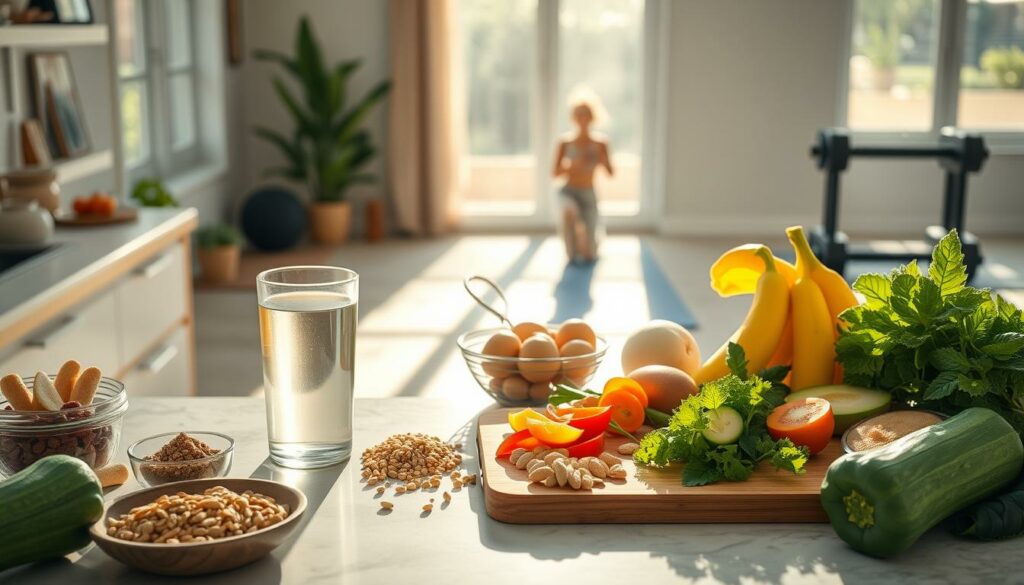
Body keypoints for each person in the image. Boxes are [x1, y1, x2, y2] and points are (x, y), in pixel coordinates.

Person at [551, 88, 614, 263]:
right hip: (568, 191)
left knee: (589, 255)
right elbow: (554, 173)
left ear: (593, 116)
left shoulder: (601, 143)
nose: (582, 118)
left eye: (586, 114)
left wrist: (602, 160)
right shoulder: (565, 142)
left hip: (588, 193)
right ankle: (571, 247)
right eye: (579, 114)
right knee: (569, 210)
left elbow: (611, 173)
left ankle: (588, 243)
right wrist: (572, 166)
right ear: (573, 117)